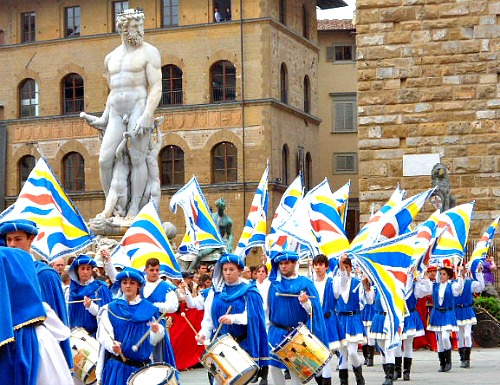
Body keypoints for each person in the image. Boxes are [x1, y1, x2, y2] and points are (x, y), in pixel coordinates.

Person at [80, 7, 162, 219]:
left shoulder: (150, 52)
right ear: (123, 28)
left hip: (139, 107)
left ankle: (134, 209)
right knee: (104, 159)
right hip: (116, 111)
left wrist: (147, 115)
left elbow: (156, 87)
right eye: (136, 26)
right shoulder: (110, 58)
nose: (140, 30)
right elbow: (113, 91)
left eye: (141, 26)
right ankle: (114, 206)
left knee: (137, 157)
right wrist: (104, 117)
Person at [0, 218, 73, 371]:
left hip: (38, 346)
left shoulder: (44, 274)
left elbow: (57, 315)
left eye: (18, 239)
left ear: (31, 239)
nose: (12, 244)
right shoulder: (5, 269)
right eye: (8, 239)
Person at [196, 253, 269, 384]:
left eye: (231, 269)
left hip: (240, 346)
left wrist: (233, 318)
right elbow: (208, 320)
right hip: (220, 345)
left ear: (240, 271)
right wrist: (203, 334)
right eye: (225, 270)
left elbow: (253, 316)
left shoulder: (249, 291)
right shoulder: (215, 292)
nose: (228, 273)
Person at [267, 250, 328, 385]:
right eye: (281, 263)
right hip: (276, 332)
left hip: (297, 334)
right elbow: (268, 309)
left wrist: (306, 302)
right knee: (273, 367)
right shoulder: (273, 285)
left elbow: (314, 311)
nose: (283, 266)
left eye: (287, 263)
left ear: (294, 263)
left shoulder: (305, 283)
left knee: (296, 371)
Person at [97, 267, 165, 385]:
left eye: (132, 283)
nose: (128, 286)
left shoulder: (148, 309)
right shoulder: (110, 309)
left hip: (142, 370)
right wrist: (112, 345)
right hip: (118, 369)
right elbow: (104, 334)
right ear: (121, 285)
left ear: (138, 285)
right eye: (125, 282)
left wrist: (156, 330)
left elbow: (154, 341)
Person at [334, 254, 374, 385]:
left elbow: (369, 301)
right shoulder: (335, 282)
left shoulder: (357, 282)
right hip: (340, 319)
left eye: (347, 267)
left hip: (354, 319)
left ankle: (359, 376)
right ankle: (343, 381)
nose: (344, 270)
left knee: (352, 352)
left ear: (350, 268)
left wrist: (367, 287)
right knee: (342, 354)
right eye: (342, 267)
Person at [393, 268, 433, 381]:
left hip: (410, 316)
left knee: (408, 344)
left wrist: (424, 276)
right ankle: (397, 370)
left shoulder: (415, 286)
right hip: (398, 316)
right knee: (397, 343)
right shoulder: (396, 285)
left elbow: (428, 290)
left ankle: (406, 372)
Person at [141, 258, 179, 368]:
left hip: (158, 325)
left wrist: (155, 306)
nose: (154, 273)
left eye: (157, 270)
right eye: (152, 270)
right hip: (140, 325)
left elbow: (173, 306)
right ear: (145, 270)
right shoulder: (139, 284)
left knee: (158, 358)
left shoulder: (166, 286)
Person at [428, 262, 464, 372]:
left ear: (448, 275)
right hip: (437, 313)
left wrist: (461, 273)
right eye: (441, 274)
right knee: (439, 339)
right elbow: (426, 287)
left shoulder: (452, 285)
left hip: (448, 313)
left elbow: (459, 288)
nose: (441, 276)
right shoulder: (435, 286)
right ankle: (442, 363)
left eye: (444, 274)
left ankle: (448, 361)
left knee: (444, 336)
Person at [312, 254, 342, 385]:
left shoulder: (332, 282)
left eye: (320, 265)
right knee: (316, 359)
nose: (318, 267)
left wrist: (343, 270)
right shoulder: (310, 284)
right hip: (315, 322)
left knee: (326, 356)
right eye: (316, 265)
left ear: (326, 267)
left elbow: (338, 292)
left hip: (328, 321)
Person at [68, 254, 113, 335]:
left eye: (88, 269)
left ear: (92, 271)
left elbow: (107, 314)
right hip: (74, 335)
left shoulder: (100, 288)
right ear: (77, 270)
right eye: (82, 268)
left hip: (94, 335)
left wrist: (91, 306)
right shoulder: (70, 290)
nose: (85, 272)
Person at [455, 263, 484, 368]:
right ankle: (462, 357)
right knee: (460, 335)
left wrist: (479, 273)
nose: (462, 270)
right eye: (460, 269)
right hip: (458, 310)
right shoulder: (454, 283)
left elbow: (480, 287)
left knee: (467, 334)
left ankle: (467, 358)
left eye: (463, 269)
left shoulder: (470, 283)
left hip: (467, 310)